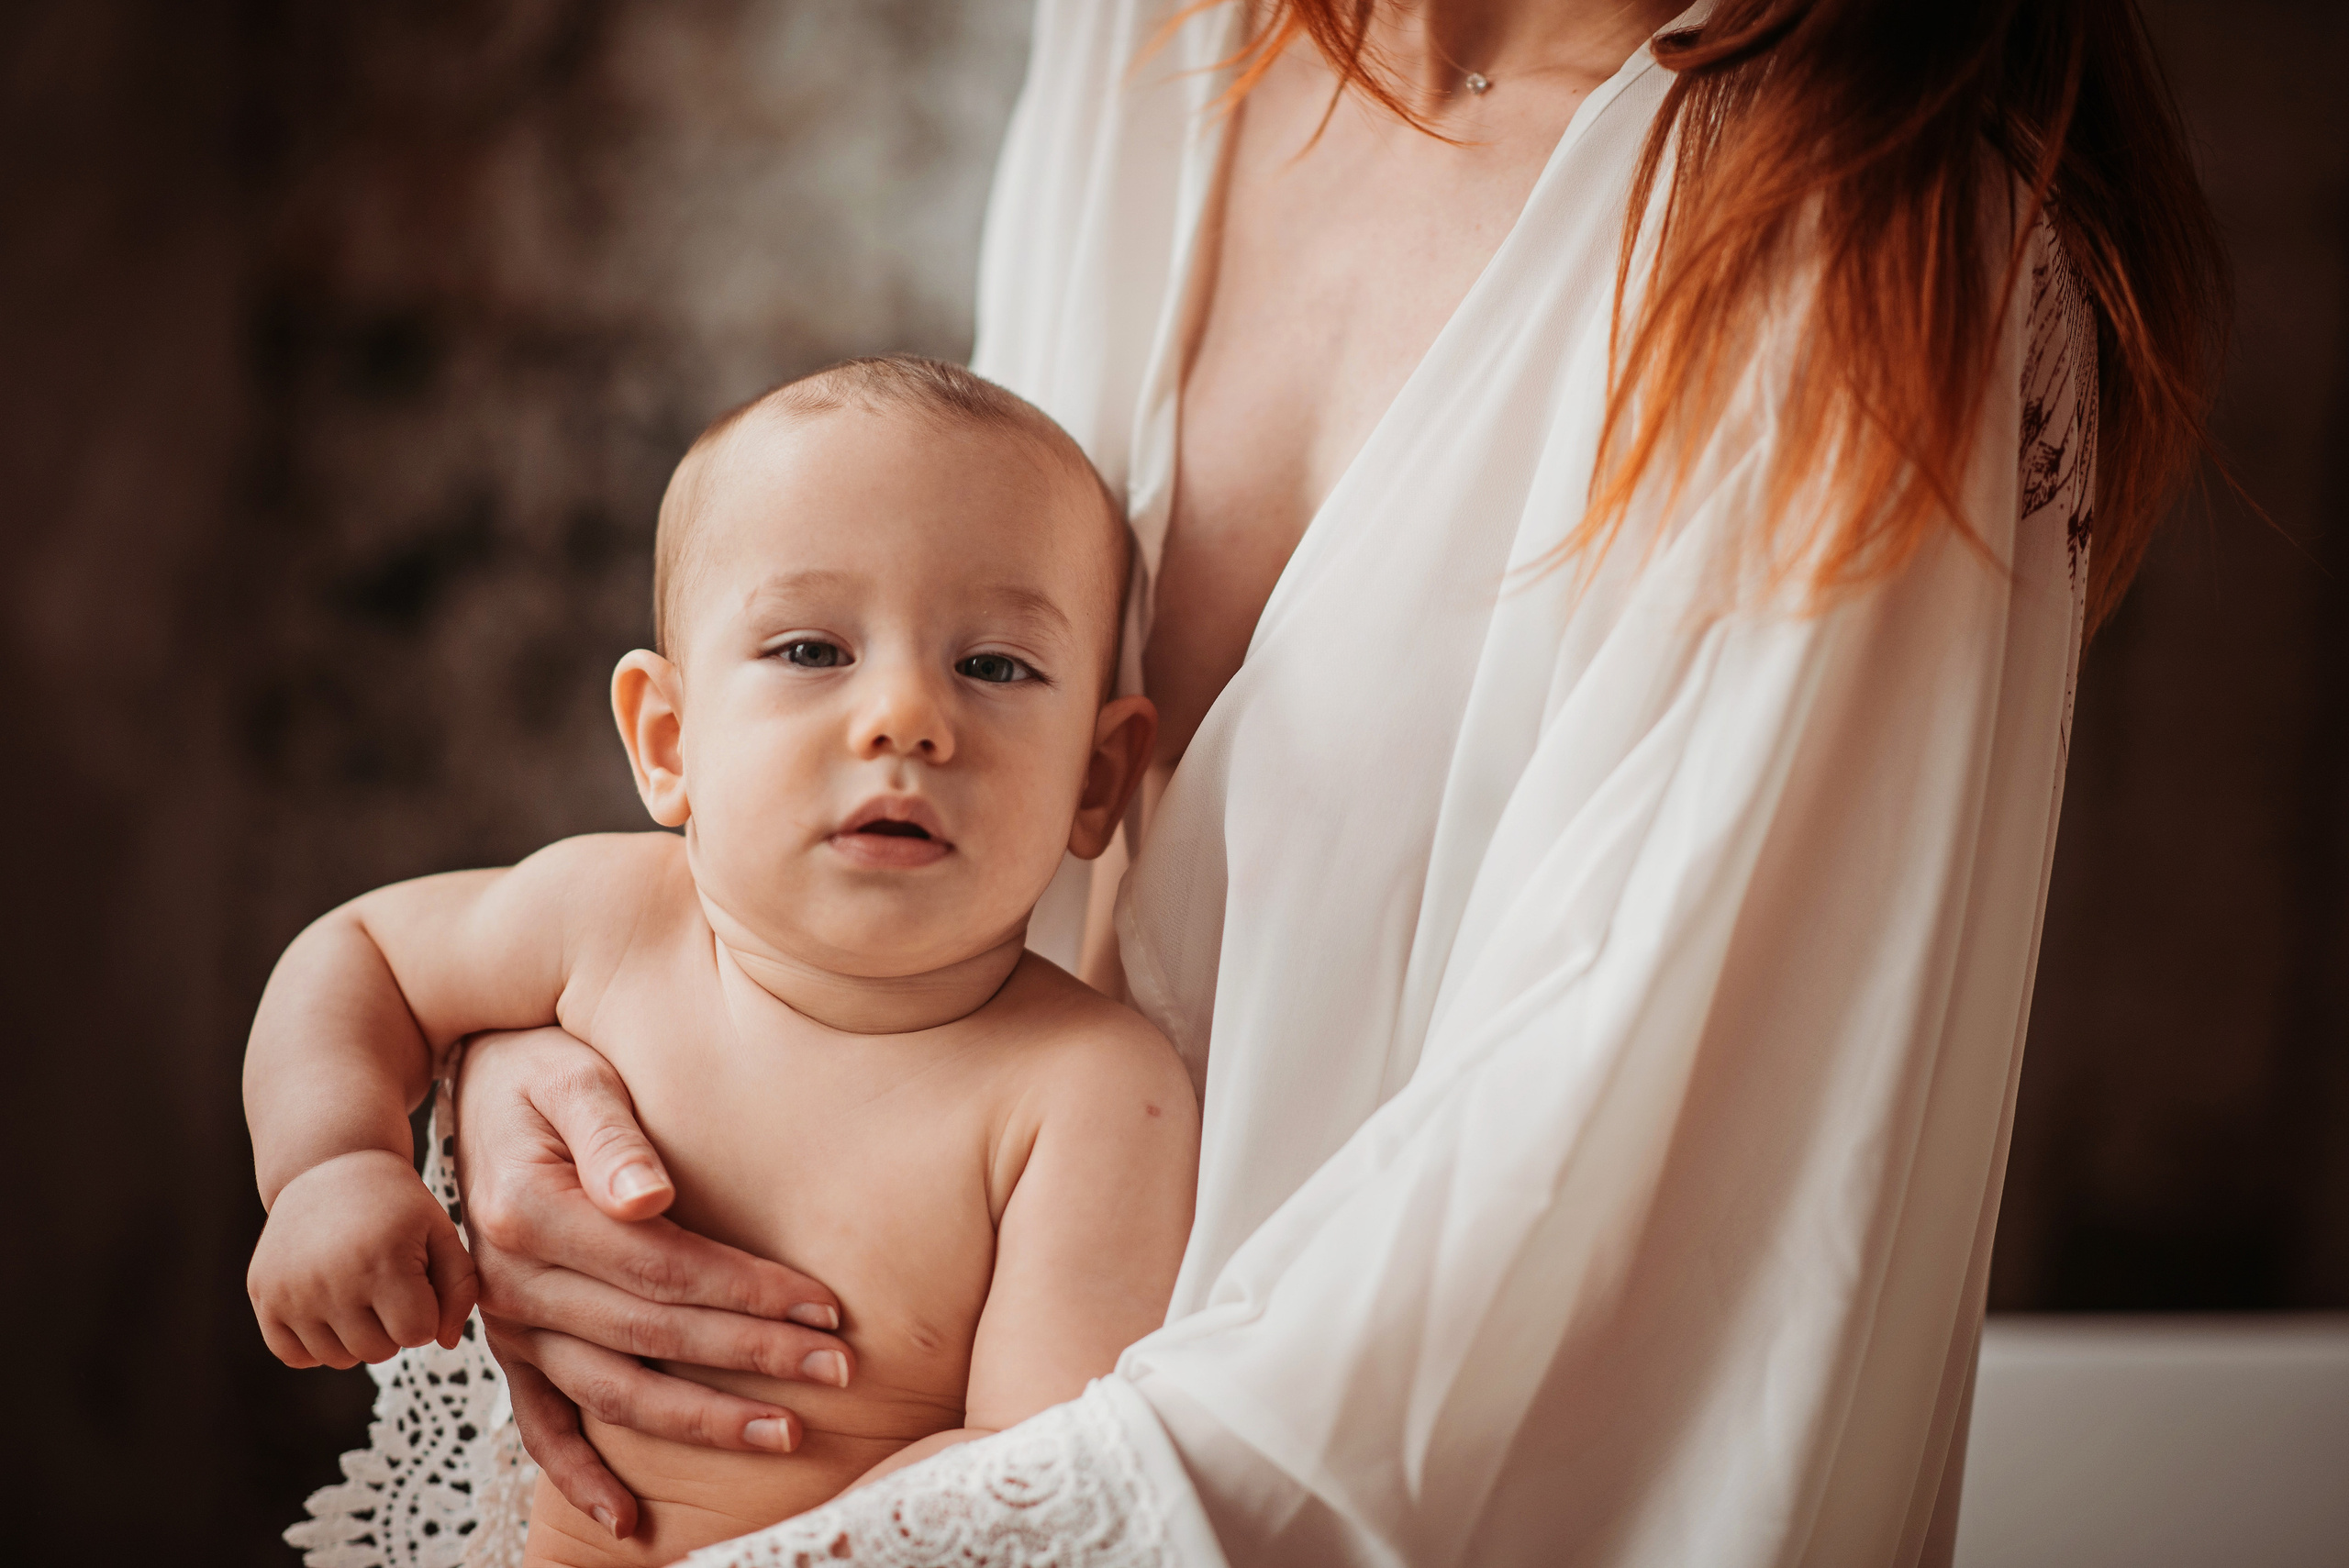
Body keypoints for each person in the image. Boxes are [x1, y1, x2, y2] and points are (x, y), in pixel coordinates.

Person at [277, 1, 2228, 1565]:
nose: (908, 720)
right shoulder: (1158, 37)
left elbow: (1583, 1278)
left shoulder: (1887, 265)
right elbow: (906, 680)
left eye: (985, 688)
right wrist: (539, 1091)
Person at [246, 357, 1198, 1568]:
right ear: (669, 738)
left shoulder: (1087, 1089)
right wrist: (329, 1165)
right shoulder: (614, 917)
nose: (905, 716)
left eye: (994, 665)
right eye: (811, 649)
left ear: (1097, 779)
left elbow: (1032, 1469)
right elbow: (359, 951)